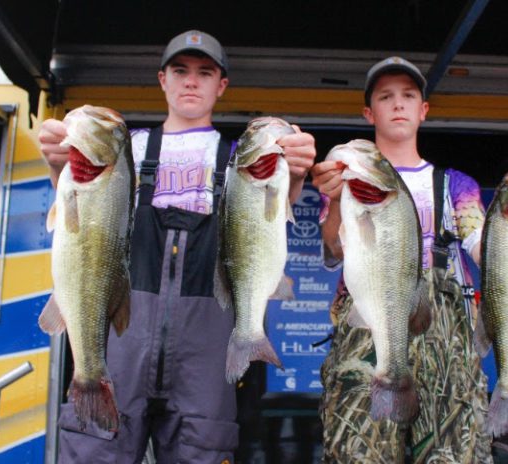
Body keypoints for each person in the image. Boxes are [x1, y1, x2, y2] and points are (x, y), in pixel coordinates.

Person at [38, 30, 316, 463]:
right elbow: (83, 222)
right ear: (162, 79)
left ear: (221, 85)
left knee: (201, 449)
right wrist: (59, 163)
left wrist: (294, 173)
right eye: (181, 70)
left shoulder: (240, 155)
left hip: (205, 343)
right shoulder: (126, 145)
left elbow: (269, 217)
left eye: (205, 72)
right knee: (97, 449)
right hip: (125, 333)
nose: (191, 80)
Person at [311, 56, 508, 463]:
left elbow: (485, 248)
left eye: (408, 96)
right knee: (358, 454)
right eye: (385, 97)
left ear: (424, 110)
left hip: (448, 346)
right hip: (368, 335)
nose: (398, 104)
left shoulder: (456, 185)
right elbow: (335, 248)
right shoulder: (347, 177)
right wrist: (338, 198)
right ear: (368, 113)